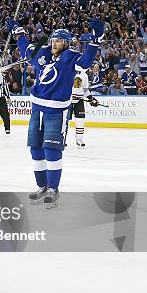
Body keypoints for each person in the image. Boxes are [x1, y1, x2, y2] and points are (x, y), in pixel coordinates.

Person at [9, 18, 103, 208]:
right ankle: (42, 186)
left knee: (51, 150)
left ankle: (53, 188)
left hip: (56, 111)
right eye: (53, 39)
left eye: (58, 40)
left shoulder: (71, 57)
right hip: (37, 108)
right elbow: (26, 47)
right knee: (35, 149)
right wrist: (18, 31)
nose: (54, 43)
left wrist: (96, 39)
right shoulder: (42, 53)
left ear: (66, 43)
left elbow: (86, 62)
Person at [68, 71, 99, 148]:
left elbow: (85, 90)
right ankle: (63, 139)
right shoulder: (68, 71)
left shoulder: (84, 75)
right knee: (65, 121)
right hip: (68, 101)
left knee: (80, 120)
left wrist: (91, 99)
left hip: (79, 101)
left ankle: (79, 139)